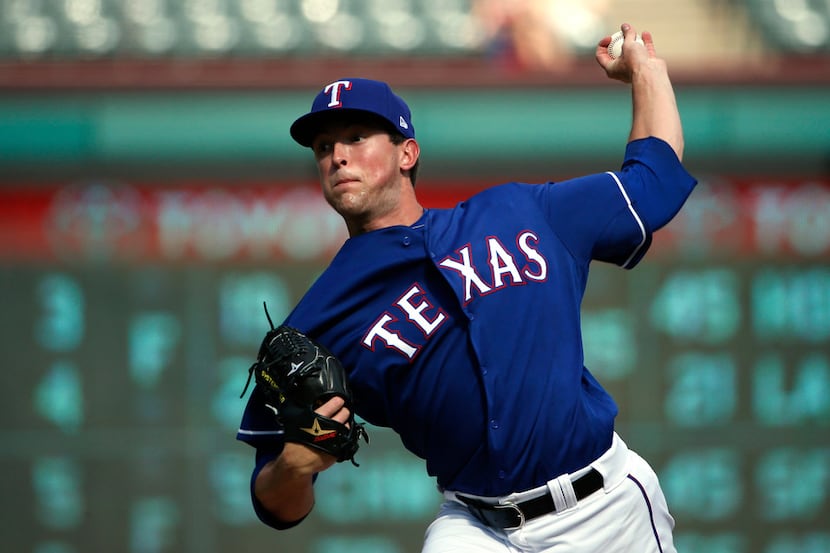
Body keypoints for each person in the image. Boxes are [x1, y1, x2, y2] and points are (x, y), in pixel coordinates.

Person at [237, 23, 696, 553]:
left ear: (407, 153)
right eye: (324, 146)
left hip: (606, 509)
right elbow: (273, 501)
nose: (338, 155)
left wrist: (646, 71)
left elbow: (653, 181)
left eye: (357, 138)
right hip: (476, 528)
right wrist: (293, 468)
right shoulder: (320, 318)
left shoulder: (522, 212)